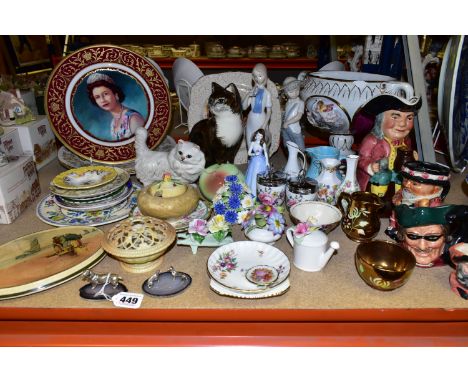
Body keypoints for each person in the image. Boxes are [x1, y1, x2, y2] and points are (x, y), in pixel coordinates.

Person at [357, 94, 422, 197]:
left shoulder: (406, 141)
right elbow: (361, 158)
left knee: (403, 181)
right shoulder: (372, 140)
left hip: (396, 177)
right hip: (376, 180)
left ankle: (399, 200)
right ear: (380, 119)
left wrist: (412, 157)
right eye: (395, 117)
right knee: (381, 181)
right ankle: (376, 201)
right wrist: (370, 166)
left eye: (409, 118)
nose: (402, 124)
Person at [86, 72, 145, 140]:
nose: (102, 100)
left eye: (105, 94)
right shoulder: (113, 123)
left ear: (116, 94)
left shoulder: (133, 118)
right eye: (97, 97)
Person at [243, 63, 272, 148]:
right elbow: (244, 107)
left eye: (260, 76)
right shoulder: (252, 91)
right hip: (251, 118)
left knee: (261, 144)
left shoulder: (267, 93)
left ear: (265, 76)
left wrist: (264, 125)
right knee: (249, 141)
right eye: (255, 76)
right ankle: (250, 158)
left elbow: (269, 112)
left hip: (261, 119)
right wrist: (248, 95)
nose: (257, 78)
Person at [281, 77, 305, 152]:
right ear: (285, 93)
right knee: (288, 146)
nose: (295, 93)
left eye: (297, 90)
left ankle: (301, 160)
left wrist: (287, 123)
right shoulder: (287, 103)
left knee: (300, 147)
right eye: (291, 92)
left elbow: (298, 116)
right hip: (286, 129)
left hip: (295, 129)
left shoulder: (300, 103)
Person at [245, 129, 269, 197]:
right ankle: (252, 190)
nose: (259, 137)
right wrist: (255, 154)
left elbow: (265, 153)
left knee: (261, 174)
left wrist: (267, 162)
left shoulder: (263, 144)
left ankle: (262, 190)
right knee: (253, 174)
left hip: (261, 161)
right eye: (258, 135)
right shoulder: (253, 143)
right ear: (255, 135)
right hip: (254, 161)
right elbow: (249, 153)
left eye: (261, 136)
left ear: (262, 137)